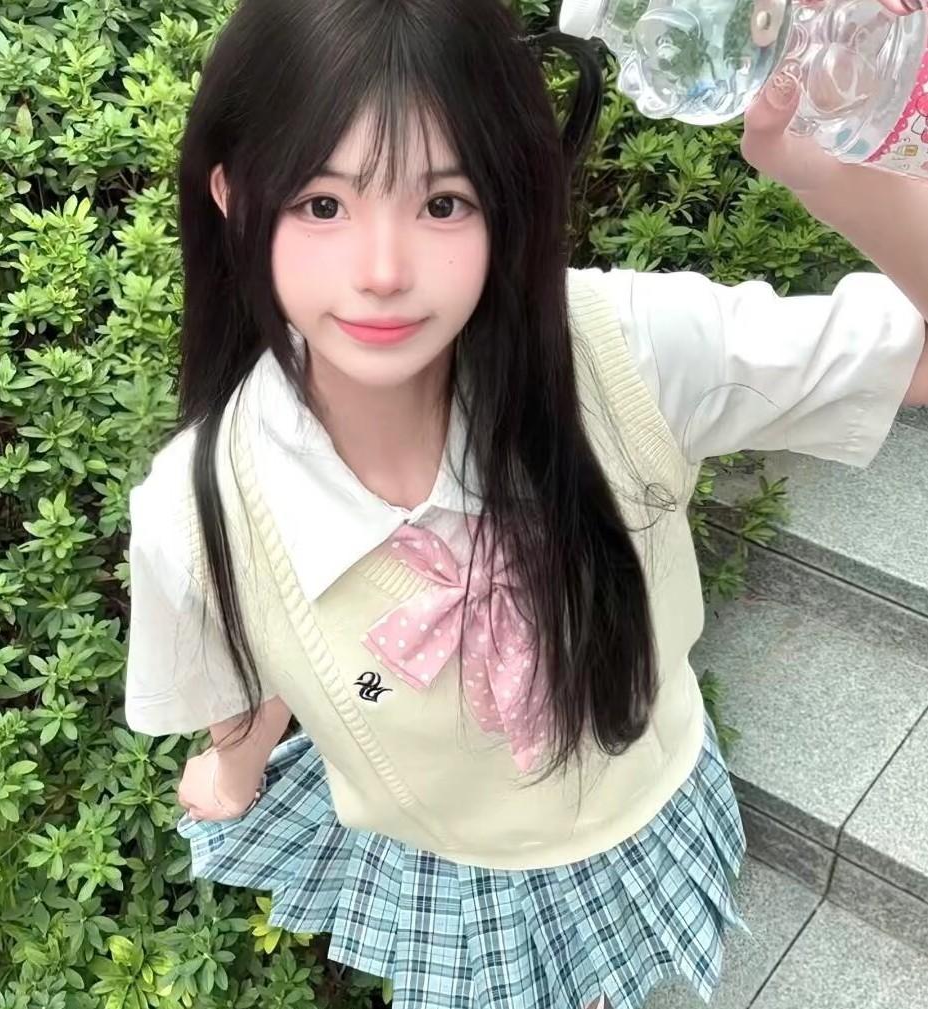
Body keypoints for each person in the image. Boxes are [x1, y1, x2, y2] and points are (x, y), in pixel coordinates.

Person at [123, 1, 928, 1006]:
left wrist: (833, 171)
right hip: (453, 874)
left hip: (646, 797)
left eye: (443, 201)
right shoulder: (195, 508)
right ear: (235, 199)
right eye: (322, 204)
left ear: (505, 199)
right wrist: (232, 774)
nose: (383, 272)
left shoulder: (621, 352)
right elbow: (252, 653)